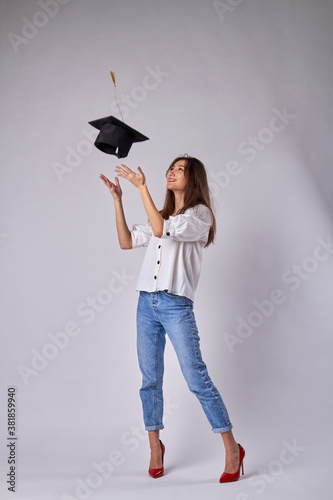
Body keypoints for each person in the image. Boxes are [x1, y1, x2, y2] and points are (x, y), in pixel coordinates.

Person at [99, 155, 245, 482]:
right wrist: (119, 201)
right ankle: (155, 448)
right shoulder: (161, 214)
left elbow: (160, 229)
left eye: (180, 169)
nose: (172, 172)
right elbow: (125, 242)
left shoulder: (199, 215)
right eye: (172, 167)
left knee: (196, 379)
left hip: (176, 306)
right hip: (145, 304)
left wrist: (142, 189)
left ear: (193, 179)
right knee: (150, 379)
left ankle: (232, 448)